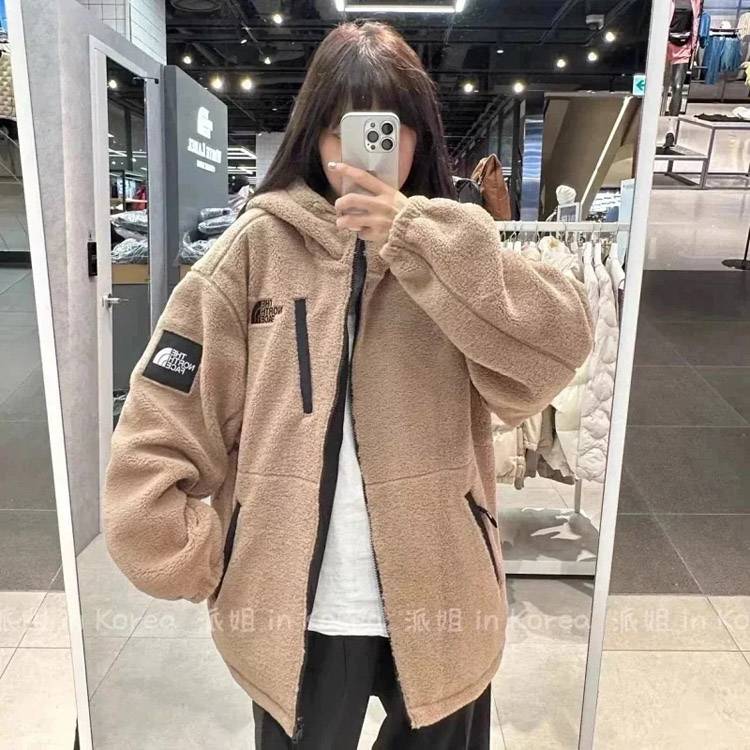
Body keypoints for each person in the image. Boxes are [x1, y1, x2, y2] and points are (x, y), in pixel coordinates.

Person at [104, 20, 593, 750]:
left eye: (390, 129)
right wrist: (214, 559)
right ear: (314, 135)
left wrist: (417, 237)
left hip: (443, 599)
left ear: (419, 138)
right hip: (295, 618)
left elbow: (559, 345)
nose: (365, 151)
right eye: (344, 130)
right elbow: (157, 428)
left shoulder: (457, 244)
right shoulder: (254, 251)